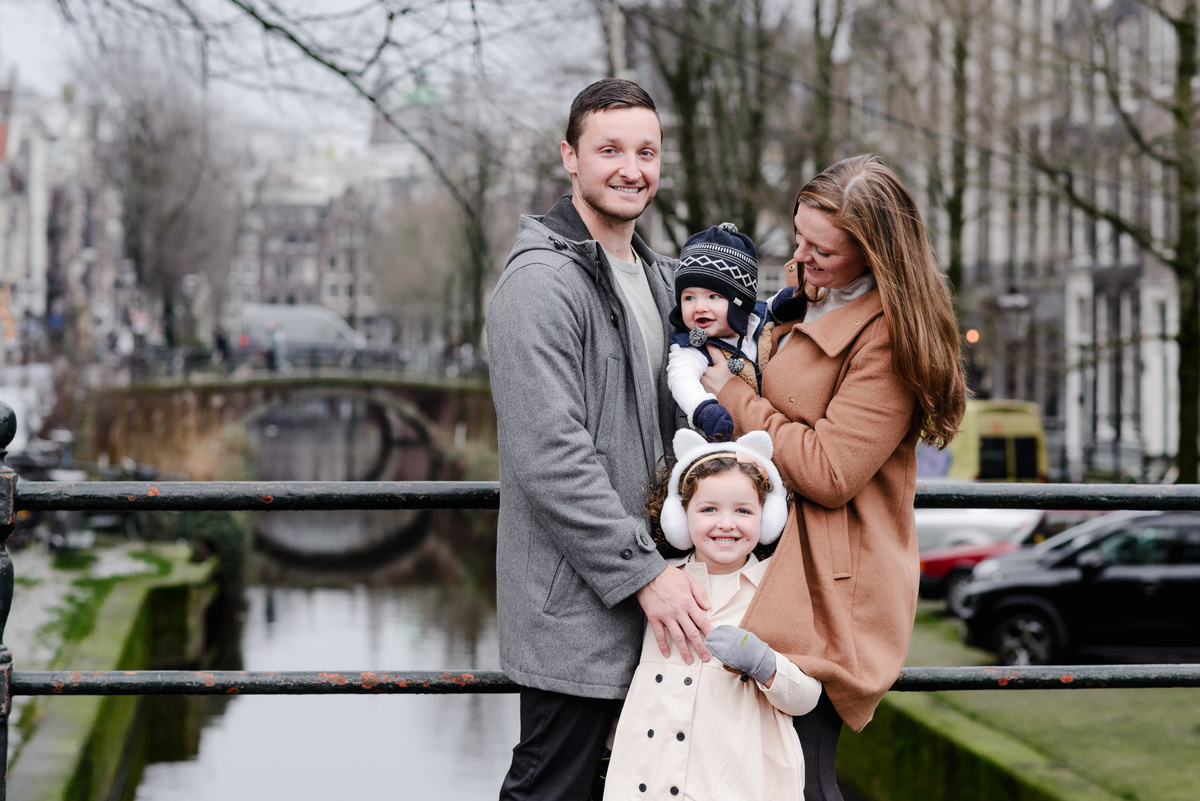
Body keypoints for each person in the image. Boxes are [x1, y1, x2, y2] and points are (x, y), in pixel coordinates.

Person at [700, 154, 968, 800]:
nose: (801, 257)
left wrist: (732, 398)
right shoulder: (809, 293)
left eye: (822, 249)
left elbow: (829, 470)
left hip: (828, 587)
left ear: (874, 255)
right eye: (799, 238)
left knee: (803, 772)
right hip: (776, 556)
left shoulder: (888, 339)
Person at [486, 78, 713, 801]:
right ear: (569, 158)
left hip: (645, 610)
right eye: (609, 149)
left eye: (647, 151)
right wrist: (645, 574)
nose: (631, 168)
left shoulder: (656, 278)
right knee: (550, 789)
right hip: (578, 618)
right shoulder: (541, 285)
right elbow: (551, 455)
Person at [603, 428, 822, 801]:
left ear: (766, 518)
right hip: (650, 778)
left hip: (734, 782)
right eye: (708, 509)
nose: (726, 523)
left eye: (743, 510)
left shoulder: (779, 590)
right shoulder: (655, 584)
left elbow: (806, 698)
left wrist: (765, 663)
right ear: (679, 516)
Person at [667, 223, 806, 440]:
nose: (699, 307)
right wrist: (702, 407)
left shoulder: (756, 319)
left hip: (779, 430)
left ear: (740, 303)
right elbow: (680, 377)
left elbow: (765, 308)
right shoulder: (692, 345)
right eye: (689, 298)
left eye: (713, 297)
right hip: (730, 438)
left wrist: (782, 304)